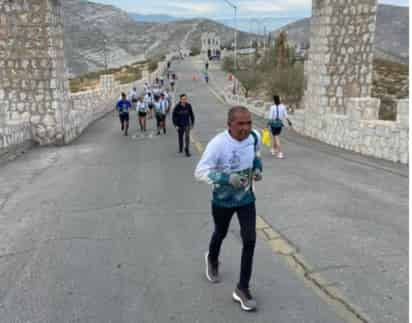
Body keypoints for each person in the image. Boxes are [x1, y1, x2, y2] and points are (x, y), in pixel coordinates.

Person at [194, 106, 263, 312]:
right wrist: (225, 178)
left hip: (246, 198)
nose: (246, 127)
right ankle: (212, 258)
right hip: (223, 201)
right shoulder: (218, 144)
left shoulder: (255, 136)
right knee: (221, 232)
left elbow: (256, 155)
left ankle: (242, 288)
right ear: (229, 124)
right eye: (240, 124)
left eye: (249, 122)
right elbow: (200, 172)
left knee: (250, 240)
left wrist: (258, 168)